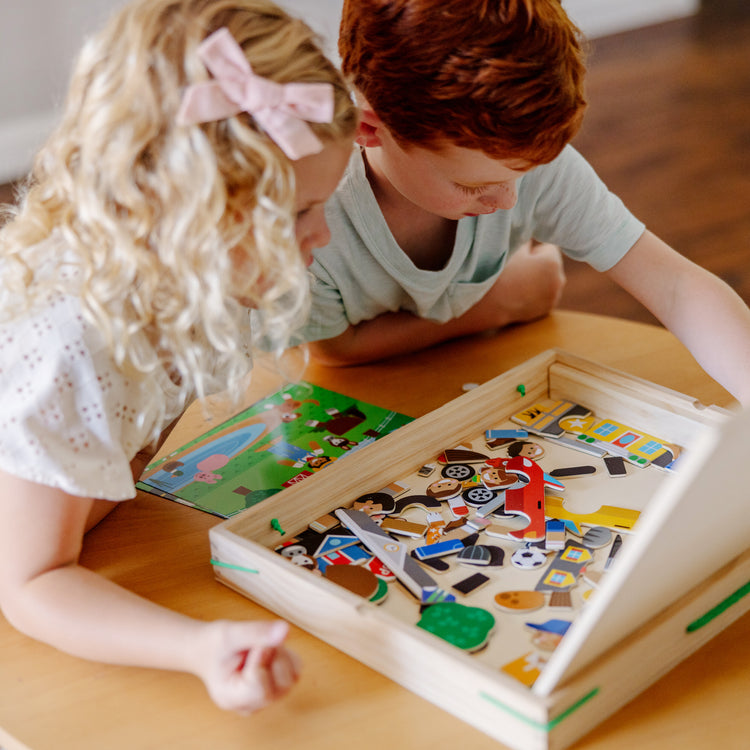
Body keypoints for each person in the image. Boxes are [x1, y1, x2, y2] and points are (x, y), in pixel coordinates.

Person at [0, 0, 356, 713]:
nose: (321, 236)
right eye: (294, 217)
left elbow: (131, 453)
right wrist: (200, 648)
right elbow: (30, 584)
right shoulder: (69, 342)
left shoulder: (194, 275)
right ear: (188, 215)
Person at [301, 0, 750, 406]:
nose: (509, 199)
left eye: (526, 172)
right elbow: (336, 350)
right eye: (473, 185)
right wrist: (497, 306)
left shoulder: (519, 164)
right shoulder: (311, 214)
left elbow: (676, 286)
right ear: (369, 129)